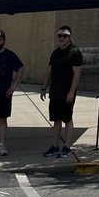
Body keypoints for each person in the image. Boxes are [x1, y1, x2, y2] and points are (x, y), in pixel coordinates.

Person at [40, 26, 83, 159]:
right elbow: (50, 71)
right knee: (56, 119)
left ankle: (67, 147)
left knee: (67, 119)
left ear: (69, 37)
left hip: (67, 92)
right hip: (55, 92)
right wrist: (44, 87)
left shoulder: (74, 52)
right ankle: (55, 146)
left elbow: (77, 74)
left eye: (65, 36)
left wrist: (71, 92)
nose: (62, 38)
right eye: (60, 36)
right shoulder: (55, 53)